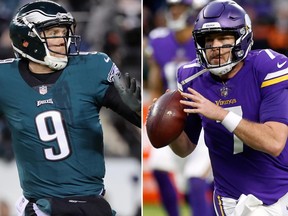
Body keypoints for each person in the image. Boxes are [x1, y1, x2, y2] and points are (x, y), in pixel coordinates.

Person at [1, 0, 141, 215]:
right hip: (43, 205)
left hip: (92, 202)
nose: (62, 40)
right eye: (53, 32)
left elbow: (144, 122)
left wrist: (139, 110)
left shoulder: (92, 68)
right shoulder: (6, 78)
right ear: (27, 39)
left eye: (64, 32)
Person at [166, 0, 288, 215]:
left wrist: (220, 114)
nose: (215, 47)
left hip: (281, 192)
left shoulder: (268, 67)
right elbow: (184, 149)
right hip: (231, 198)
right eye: (208, 39)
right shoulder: (190, 77)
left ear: (242, 37)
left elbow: (274, 142)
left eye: (224, 38)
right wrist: (166, 123)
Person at [145, 0, 214, 215]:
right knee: (159, 167)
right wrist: (155, 110)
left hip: (202, 116)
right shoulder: (159, 39)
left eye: (180, 7)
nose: (174, 11)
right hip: (173, 118)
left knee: (196, 180)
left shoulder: (206, 41)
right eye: (172, 7)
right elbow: (156, 82)